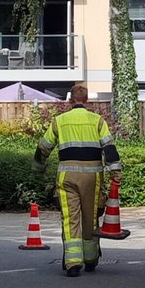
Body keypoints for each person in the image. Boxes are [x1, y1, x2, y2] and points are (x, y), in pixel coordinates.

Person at [34, 85, 121, 277]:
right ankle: (90, 260)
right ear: (87, 100)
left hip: (67, 178)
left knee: (70, 218)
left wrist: (39, 167)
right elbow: (110, 148)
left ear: (70, 101)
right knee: (90, 218)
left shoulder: (59, 121)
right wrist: (116, 174)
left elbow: (44, 146)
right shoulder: (97, 121)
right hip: (92, 177)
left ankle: (73, 263)